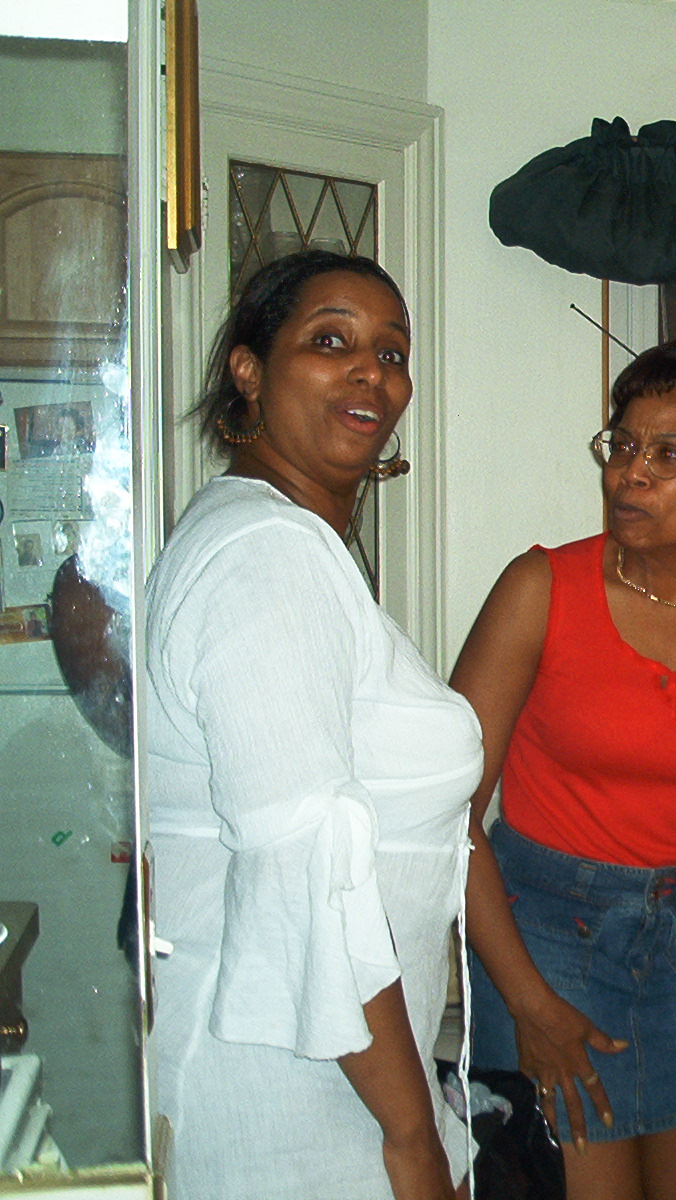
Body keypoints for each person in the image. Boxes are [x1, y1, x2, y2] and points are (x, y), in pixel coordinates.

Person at [144, 250, 479, 1200]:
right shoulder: (267, 560)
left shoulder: (286, 543)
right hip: (290, 1094)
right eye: (331, 341)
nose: (373, 372)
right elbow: (303, 871)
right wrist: (414, 1136)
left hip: (339, 1072)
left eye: (393, 351)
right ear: (249, 369)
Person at [453, 335, 676, 1200]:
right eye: (623, 445)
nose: (630, 474)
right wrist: (526, 1005)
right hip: (539, 941)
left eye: (669, 455)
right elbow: (446, 817)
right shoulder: (540, 590)